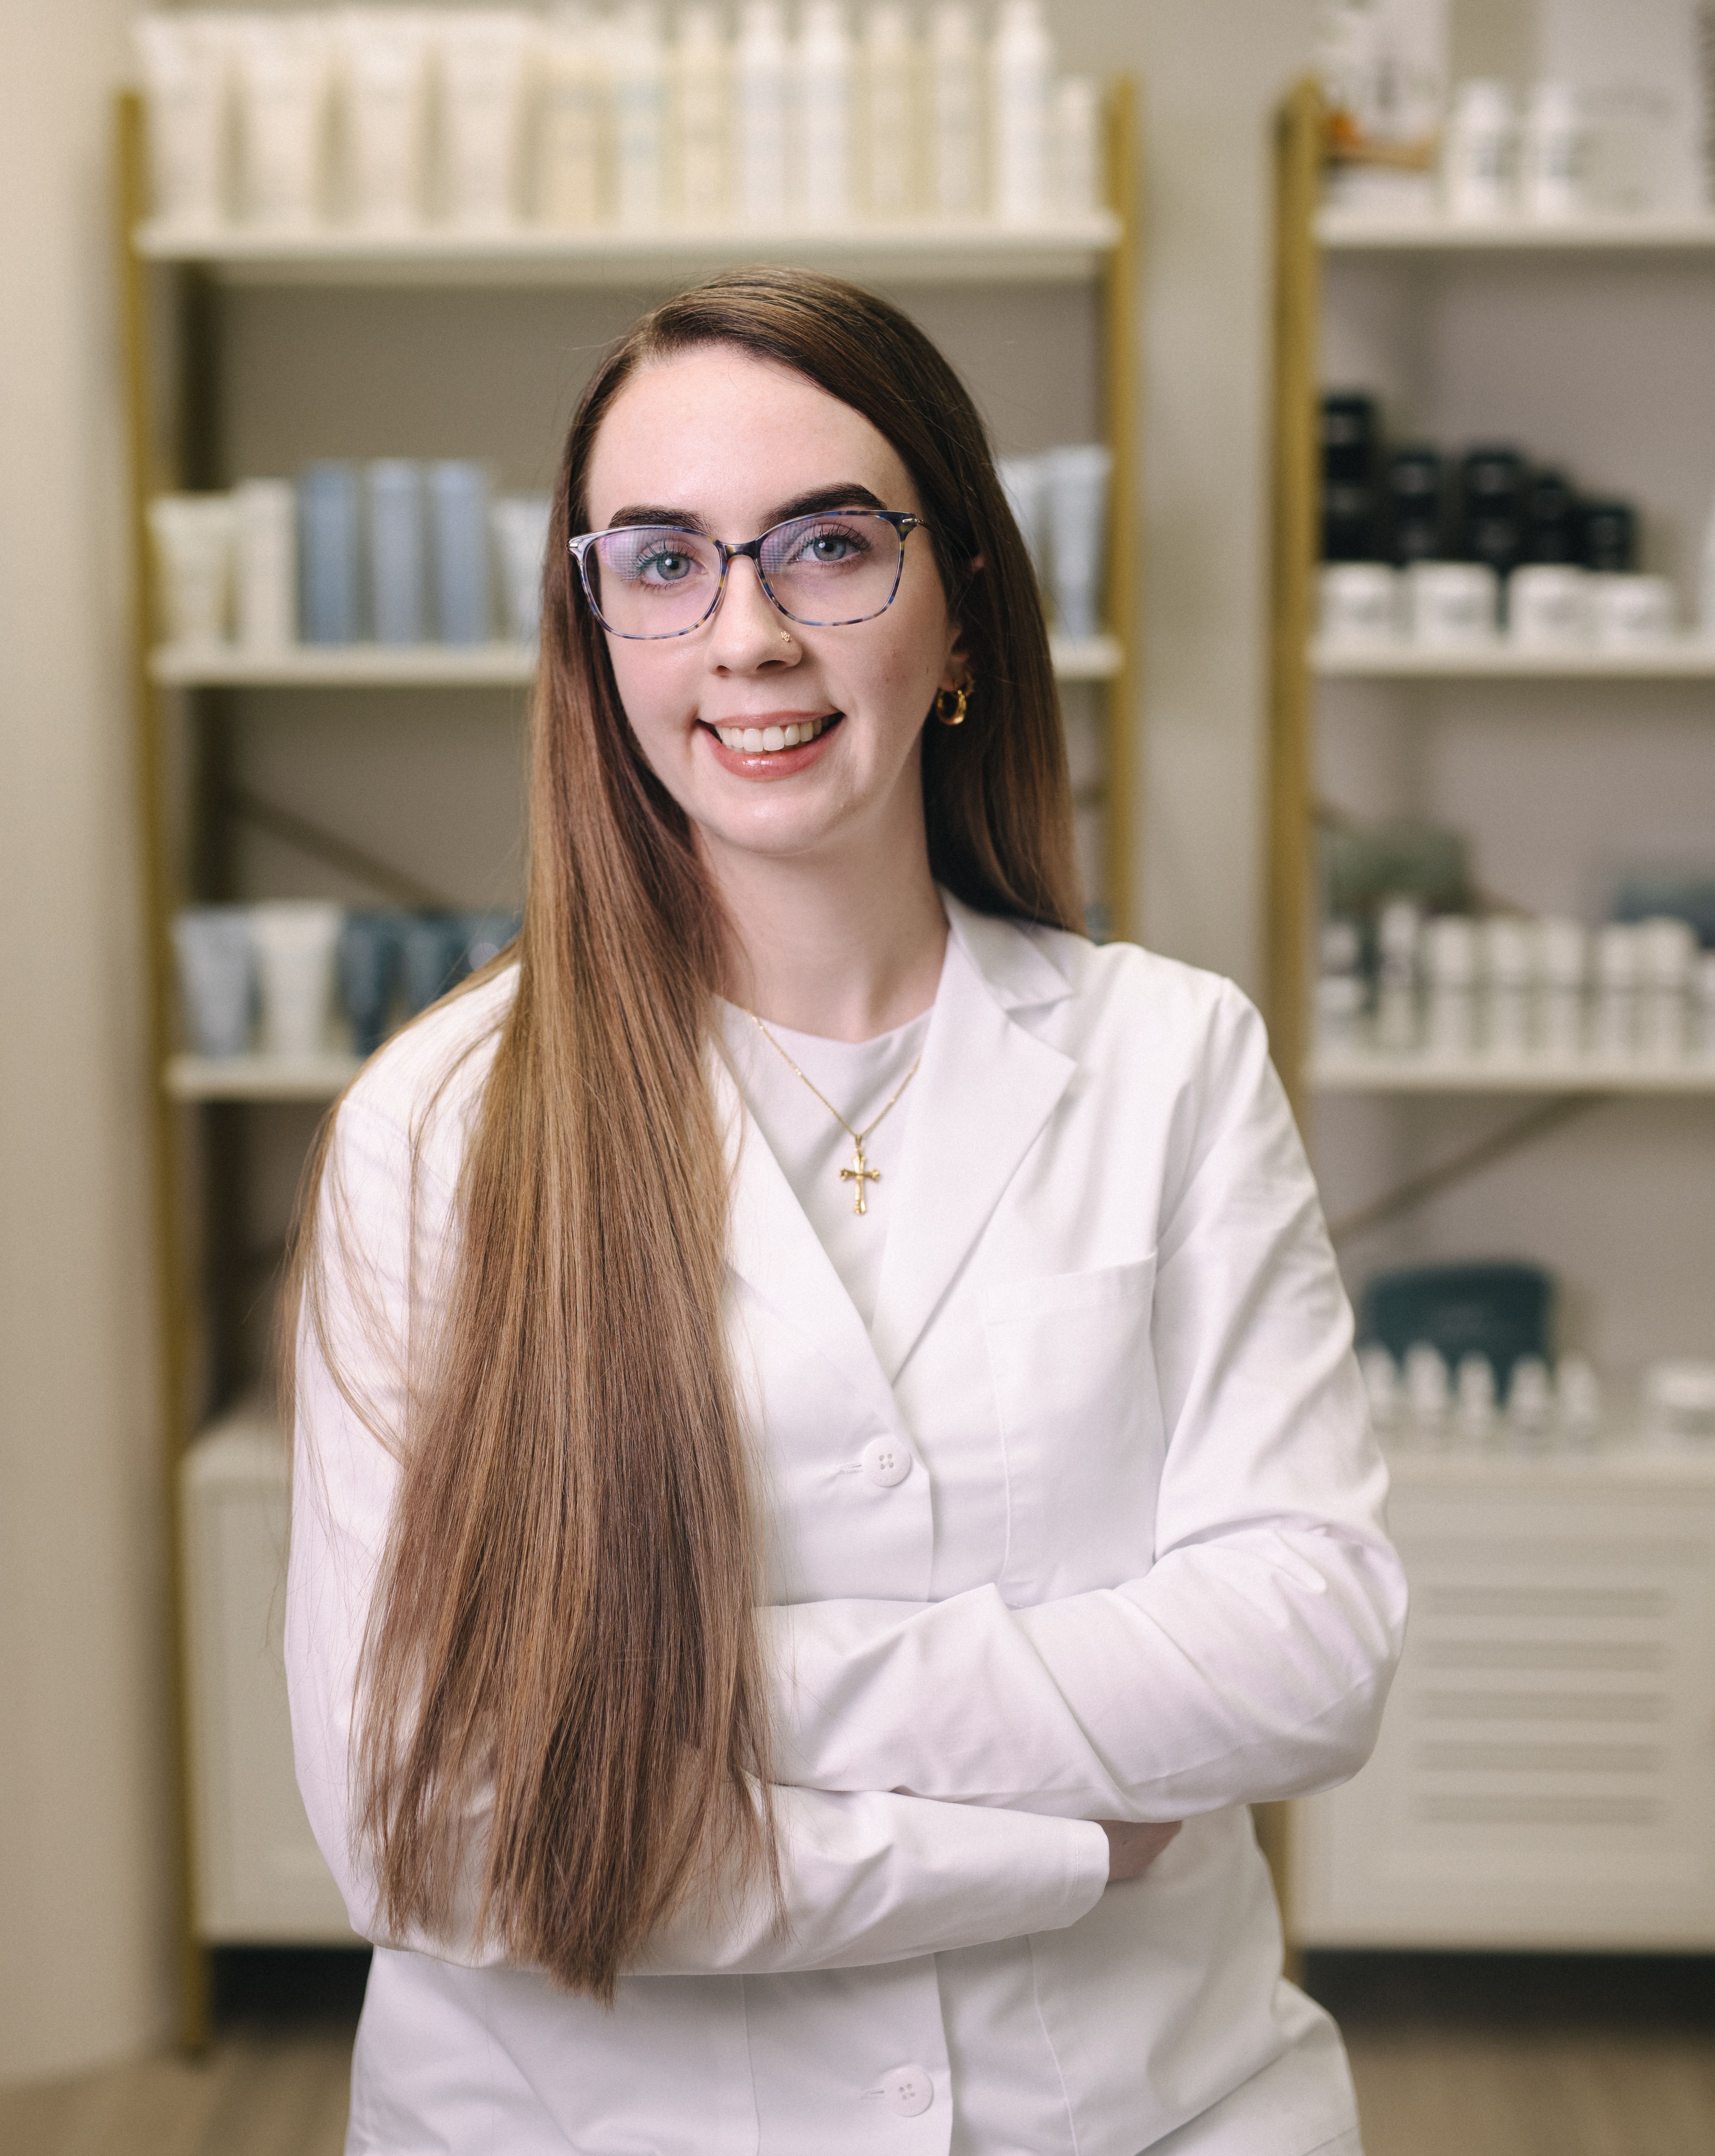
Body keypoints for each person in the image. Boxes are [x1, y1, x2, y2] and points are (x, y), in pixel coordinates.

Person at [285, 266, 1406, 2156]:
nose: (747, 637)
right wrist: (1061, 1844)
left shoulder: (1169, 1059)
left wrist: (703, 1677)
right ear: (596, 630)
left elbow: (1310, 1644)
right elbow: (440, 1824)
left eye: (825, 548)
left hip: (1154, 2111)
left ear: (961, 594)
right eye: (662, 561)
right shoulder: (446, 1128)